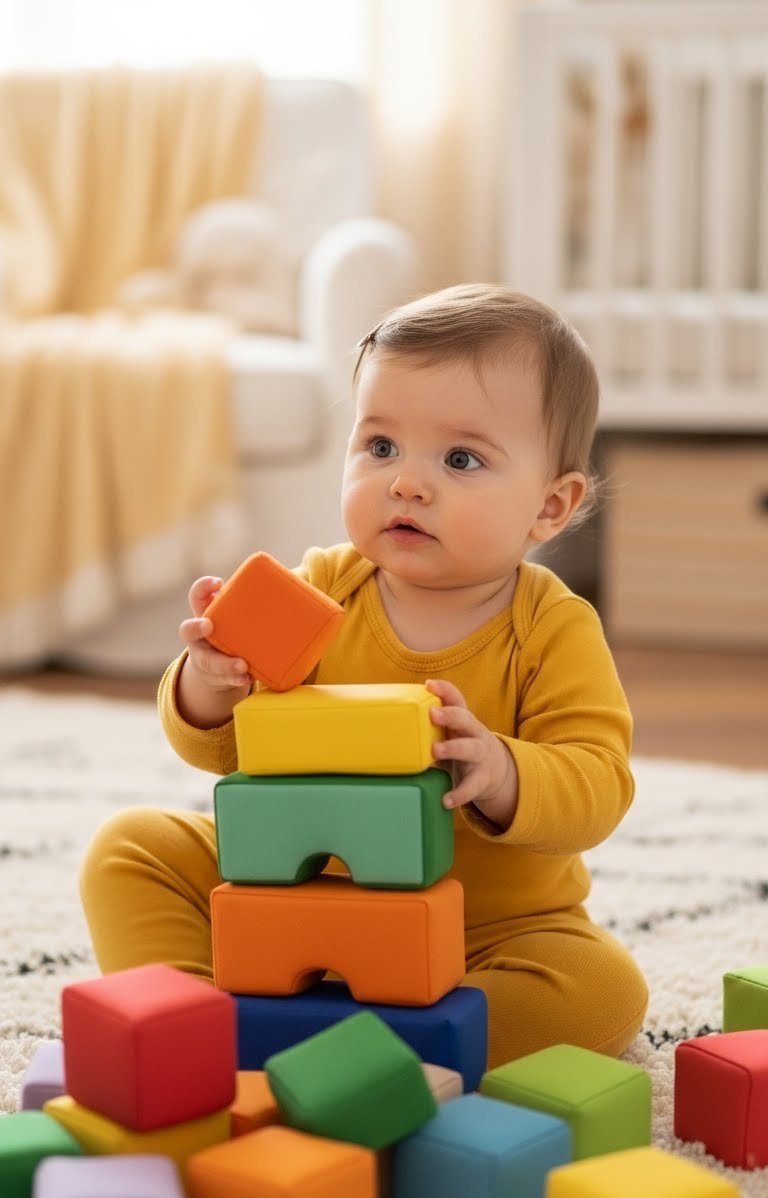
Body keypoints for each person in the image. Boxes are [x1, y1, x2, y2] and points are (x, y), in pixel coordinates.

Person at [80, 283, 648, 1069]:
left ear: (549, 507)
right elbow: (218, 750)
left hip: (481, 929)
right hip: (297, 898)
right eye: (380, 446)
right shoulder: (318, 587)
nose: (407, 482)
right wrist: (212, 681)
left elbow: (598, 782)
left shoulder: (552, 628)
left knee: (605, 986)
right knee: (129, 847)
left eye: (460, 458)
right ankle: (194, 1025)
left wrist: (502, 768)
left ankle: (397, 1054)